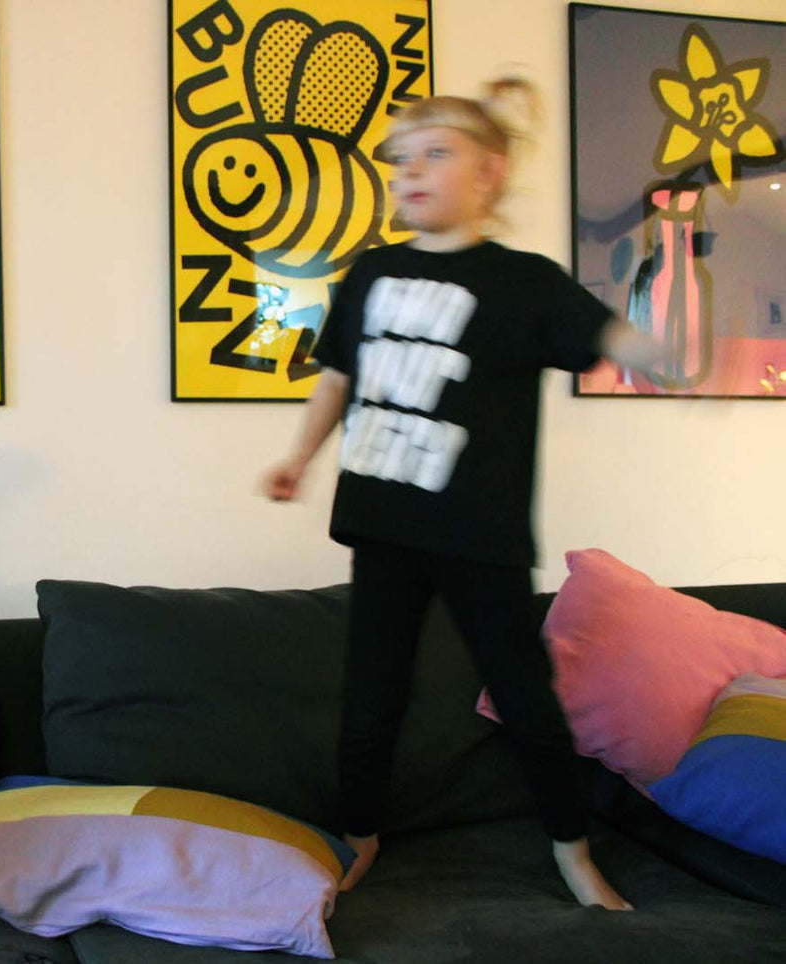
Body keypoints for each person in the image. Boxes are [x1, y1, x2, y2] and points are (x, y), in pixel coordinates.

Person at [262, 80, 662, 910]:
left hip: (478, 533)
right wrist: (298, 456)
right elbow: (338, 372)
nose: (409, 172)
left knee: (524, 698)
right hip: (381, 519)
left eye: (433, 153)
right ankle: (360, 834)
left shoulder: (523, 281)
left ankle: (571, 851)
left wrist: (654, 341)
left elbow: (604, 337)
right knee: (370, 696)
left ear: (489, 170)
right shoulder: (371, 270)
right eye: (398, 160)